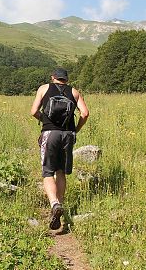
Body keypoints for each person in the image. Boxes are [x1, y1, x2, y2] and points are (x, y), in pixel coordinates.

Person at [30, 68, 89, 230]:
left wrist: (44, 119)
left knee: (48, 172)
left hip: (50, 134)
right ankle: (60, 205)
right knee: (61, 171)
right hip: (67, 135)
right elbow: (85, 113)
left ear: (53, 78)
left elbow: (33, 111)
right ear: (66, 79)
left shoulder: (44, 88)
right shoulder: (74, 92)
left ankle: (54, 204)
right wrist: (75, 130)